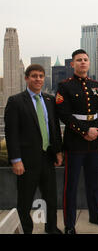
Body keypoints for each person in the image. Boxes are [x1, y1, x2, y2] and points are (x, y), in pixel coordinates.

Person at [55, 49, 98, 234]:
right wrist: (85, 130)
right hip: (75, 143)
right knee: (70, 186)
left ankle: (95, 216)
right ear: (72, 64)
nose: (83, 62)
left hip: (94, 143)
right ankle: (69, 224)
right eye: (79, 60)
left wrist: (96, 131)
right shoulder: (64, 86)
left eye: (85, 59)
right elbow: (64, 114)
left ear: (89, 63)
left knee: (93, 183)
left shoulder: (96, 86)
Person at [4, 64, 63, 234]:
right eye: (34, 76)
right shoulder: (15, 101)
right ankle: (25, 230)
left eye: (41, 76)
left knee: (51, 198)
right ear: (26, 78)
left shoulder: (49, 100)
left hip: (47, 157)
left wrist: (58, 151)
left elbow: (54, 128)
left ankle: (51, 228)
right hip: (26, 161)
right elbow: (11, 133)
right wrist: (16, 160)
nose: (38, 79)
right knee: (25, 201)